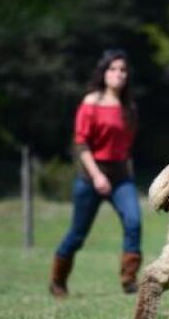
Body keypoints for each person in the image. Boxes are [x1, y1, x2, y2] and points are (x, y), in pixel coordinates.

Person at [49, 49, 142, 297]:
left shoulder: (129, 107)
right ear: (104, 73)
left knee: (134, 221)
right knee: (78, 234)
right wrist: (97, 176)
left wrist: (126, 169)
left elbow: (127, 143)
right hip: (92, 176)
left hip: (121, 176)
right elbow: (81, 144)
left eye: (123, 70)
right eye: (113, 69)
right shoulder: (91, 103)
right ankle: (58, 280)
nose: (118, 74)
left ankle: (129, 279)